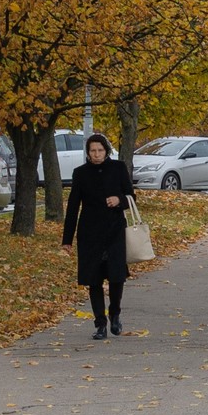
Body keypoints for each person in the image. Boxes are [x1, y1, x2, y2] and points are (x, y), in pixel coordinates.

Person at [62, 133, 131, 340]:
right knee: (94, 280)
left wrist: (118, 199)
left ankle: (115, 314)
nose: (97, 154)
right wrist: (67, 240)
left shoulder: (118, 168)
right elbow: (73, 207)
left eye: (100, 150)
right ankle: (100, 324)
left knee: (117, 276)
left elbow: (131, 196)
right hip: (90, 233)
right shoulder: (81, 173)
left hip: (114, 230)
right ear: (88, 153)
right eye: (93, 151)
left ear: (106, 151)